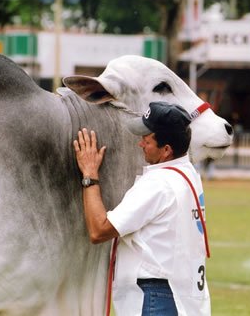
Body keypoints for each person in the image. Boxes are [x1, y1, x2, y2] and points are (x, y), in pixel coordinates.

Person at [73, 101, 210, 315]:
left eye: (146, 140)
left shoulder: (159, 183)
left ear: (166, 150)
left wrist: (89, 174)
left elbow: (99, 230)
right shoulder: (189, 173)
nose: (140, 144)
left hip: (157, 295)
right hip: (180, 292)